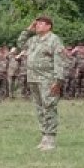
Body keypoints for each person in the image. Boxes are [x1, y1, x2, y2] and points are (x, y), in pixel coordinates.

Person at [17, 16, 67, 150]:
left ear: (48, 26)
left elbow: (60, 61)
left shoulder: (54, 40)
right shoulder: (33, 40)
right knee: (39, 108)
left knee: (49, 106)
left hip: (48, 79)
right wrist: (28, 30)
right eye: (36, 24)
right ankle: (44, 136)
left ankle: (50, 138)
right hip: (33, 78)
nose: (37, 25)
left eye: (41, 24)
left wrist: (58, 81)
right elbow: (20, 43)